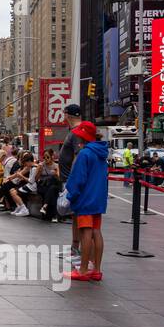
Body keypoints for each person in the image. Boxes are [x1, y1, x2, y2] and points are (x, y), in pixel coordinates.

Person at [64, 121, 109, 282]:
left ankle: (83, 270)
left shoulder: (85, 154)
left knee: (85, 232)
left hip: (85, 199)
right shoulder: (101, 152)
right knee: (96, 231)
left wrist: (70, 197)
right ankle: (96, 269)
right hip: (98, 198)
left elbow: (77, 180)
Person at [57, 104, 85, 267]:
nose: (63, 117)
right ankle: (75, 249)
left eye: (64, 114)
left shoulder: (77, 132)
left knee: (79, 216)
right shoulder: (73, 131)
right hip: (68, 179)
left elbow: (78, 155)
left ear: (68, 115)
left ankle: (79, 252)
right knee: (74, 216)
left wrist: (72, 181)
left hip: (71, 180)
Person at [37, 149, 62, 222]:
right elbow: (36, 179)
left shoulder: (56, 166)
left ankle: (45, 207)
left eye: (47, 157)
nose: (45, 159)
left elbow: (60, 179)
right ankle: (54, 216)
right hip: (43, 186)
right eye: (44, 157)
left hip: (53, 186)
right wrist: (39, 171)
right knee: (52, 190)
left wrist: (56, 173)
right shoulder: (41, 165)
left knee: (52, 188)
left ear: (52, 157)